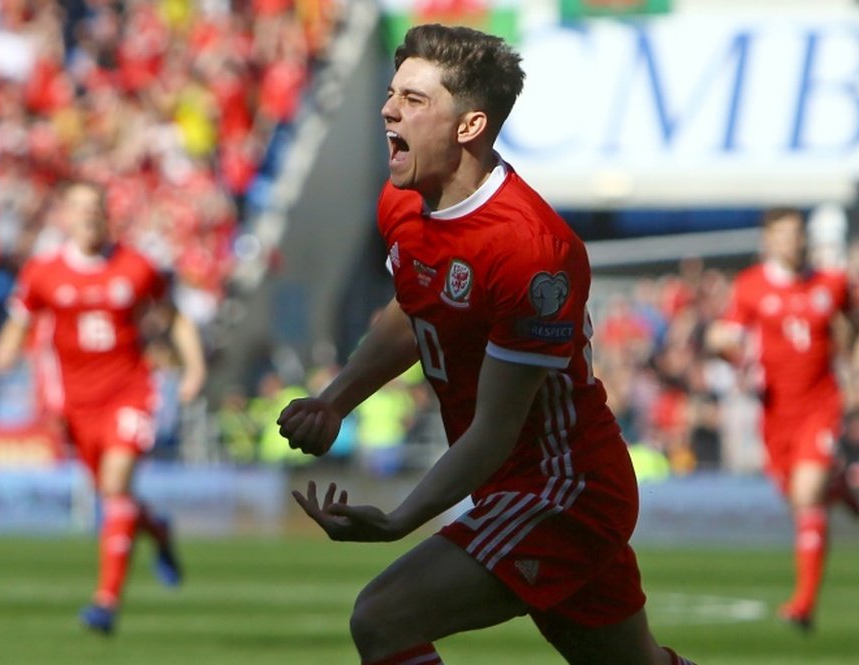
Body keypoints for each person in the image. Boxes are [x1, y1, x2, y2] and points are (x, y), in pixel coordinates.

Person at [277, 24, 697, 665]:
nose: (388, 109)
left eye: (415, 100)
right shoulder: (401, 202)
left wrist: (400, 518)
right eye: (393, 93)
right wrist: (337, 399)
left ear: (469, 126)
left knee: (383, 618)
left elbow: (496, 431)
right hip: (516, 481)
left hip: (563, 488)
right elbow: (412, 309)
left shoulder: (532, 250)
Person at [0, 180, 206, 634]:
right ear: (65, 216)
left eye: (96, 209)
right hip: (76, 406)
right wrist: (3, 357)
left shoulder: (136, 267)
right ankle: (158, 530)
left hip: (130, 391)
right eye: (80, 208)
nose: (89, 216)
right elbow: (19, 320)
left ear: (108, 215)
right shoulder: (43, 272)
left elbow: (174, 318)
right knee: (114, 496)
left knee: (114, 482)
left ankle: (106, 602)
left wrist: (194, 369)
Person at [706, 207, 859, 631]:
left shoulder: (830, 283)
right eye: (784, 235)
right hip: (775, 411)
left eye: (798, 234)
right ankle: (837, 487)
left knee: (804, 494)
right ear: (769, 241)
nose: (793, 242)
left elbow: (856, 325)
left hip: (821, 404)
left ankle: (804, 603)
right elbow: (725, 336)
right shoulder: (751, 286)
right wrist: (729, 351)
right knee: (797, 493)